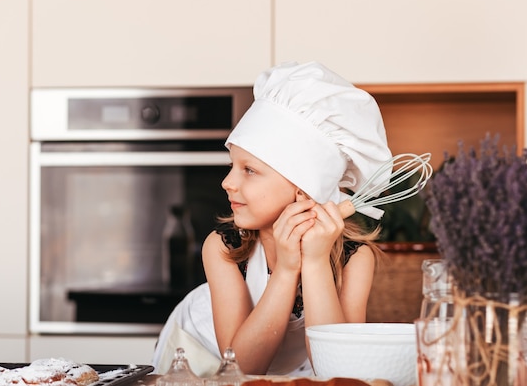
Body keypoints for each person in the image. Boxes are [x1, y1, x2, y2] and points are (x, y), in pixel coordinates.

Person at [151, 61, 393, 377]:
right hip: (200, 366)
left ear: (304, 191)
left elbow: (338, 371)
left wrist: (316, 262)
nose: (227, 182)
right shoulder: (224, 247)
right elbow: (241, 366)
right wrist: (288, 268)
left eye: (249, 170)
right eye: (232, 165)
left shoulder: (354, 259)